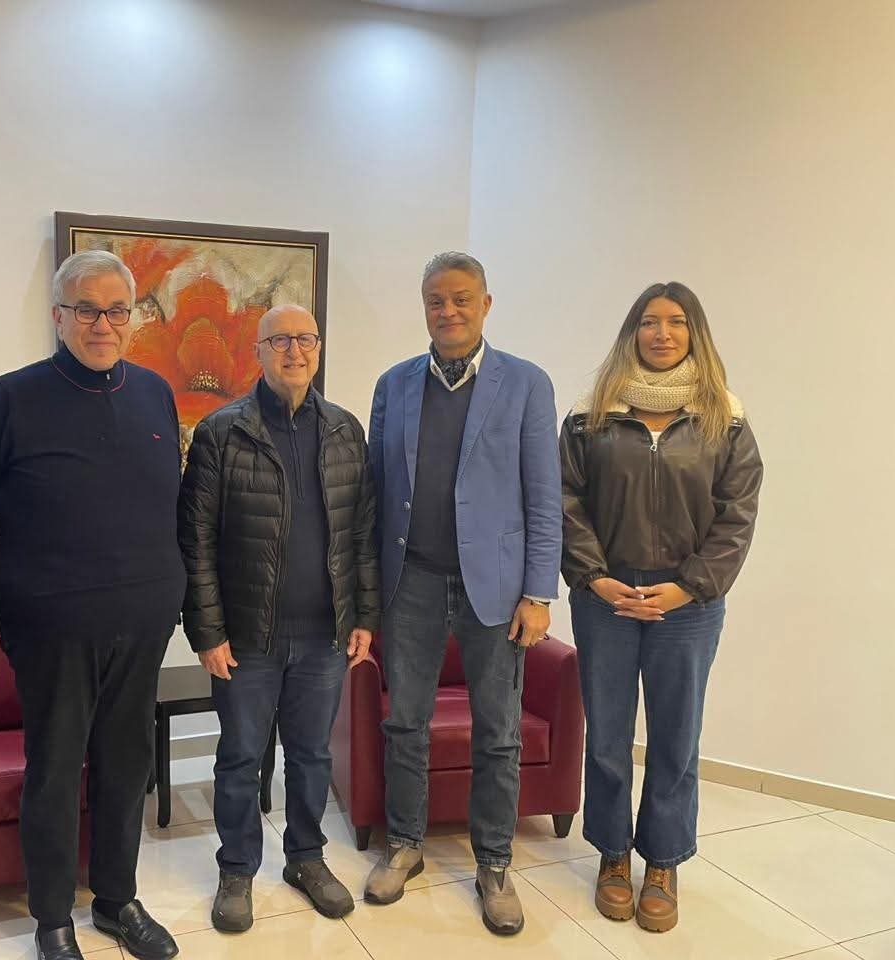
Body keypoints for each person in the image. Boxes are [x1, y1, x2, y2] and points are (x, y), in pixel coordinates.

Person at [0, 250, 184, 960]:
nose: (102, 324)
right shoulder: (12, 398)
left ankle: (117, 900)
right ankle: (52, 916)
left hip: (143, 624)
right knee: (55, 774)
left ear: (133, 318)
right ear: (58, 316)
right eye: (87, 309)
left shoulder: (155, 393)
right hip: (51, 628)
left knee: (127, 768)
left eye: (117, 310)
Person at [363, 252, 561, 935]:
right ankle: (405, 844)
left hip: (497, 591)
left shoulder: (526, 384)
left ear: (486, 304)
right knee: (404, 723)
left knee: (498, 733)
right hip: (410, 581)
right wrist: (368, 589)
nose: (447, 311)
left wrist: (539, 593)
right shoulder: (394, 384)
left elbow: (544, 497)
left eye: (460, 299)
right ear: (423, 307)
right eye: (435, 301)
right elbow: (375, 493)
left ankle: (495, 864)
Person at [560, 281, 762, 933]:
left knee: (676, 737)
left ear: (694, 333)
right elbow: (565, 501)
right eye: (650, 322)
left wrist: (688, 587)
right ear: (633, 332)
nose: (662, 333)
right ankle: (613, 855)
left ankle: (664, 863)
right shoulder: (591, 415)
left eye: (676, 322)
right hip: (606, 600)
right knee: (608, 736)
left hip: (688, 606)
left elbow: (737, 516)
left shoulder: (724, 420)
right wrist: (595, 579)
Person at [179, 304, 380, 933]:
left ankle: (306, 858)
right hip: (247, 638)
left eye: (306, 339)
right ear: (258, 352)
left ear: (318, 348)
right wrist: (208, 631)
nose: (295, 351)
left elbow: (363, 533)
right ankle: (237, 868)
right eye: (281, 340)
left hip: (324, 634)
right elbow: (196, 541)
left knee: (312, 757)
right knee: (241, 757)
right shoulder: (221, 433)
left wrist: (364, 614)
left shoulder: (345, 430)